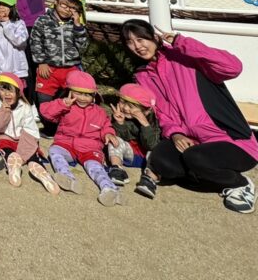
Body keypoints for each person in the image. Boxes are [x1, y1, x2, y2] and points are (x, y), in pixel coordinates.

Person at [122, 19, 257, 213]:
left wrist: (182, 42)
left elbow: (233, 67)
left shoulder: (186, 57)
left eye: (141, 39)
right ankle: (203, 172)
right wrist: (175, 133)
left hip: (231, 140)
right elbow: (162, 112)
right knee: (161, 163)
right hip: (191, 141)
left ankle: (239, 183)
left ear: (154, 37)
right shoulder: (143, 76)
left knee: (195, 159)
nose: (138, 46)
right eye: (130, 42)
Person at [39, 71, 123, 206]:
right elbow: (45, 112)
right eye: (78, 93)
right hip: (66, 143)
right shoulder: (65, 106)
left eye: (87, 95)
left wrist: (108, 133)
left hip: (90, 147)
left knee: (95, 167)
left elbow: (106, 126)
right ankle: (67, 178)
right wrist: (63, 104)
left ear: (94, 96)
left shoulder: (99, 112)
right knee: (54, 151)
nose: (83, 98)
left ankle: (109, 189)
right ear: (69, 91)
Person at [0, 73, 58, 193]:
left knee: (32, 150)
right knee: (4, 146)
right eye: (3, 89)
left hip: (22, 135)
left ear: (19, 93)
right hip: (4, 135)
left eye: (11, 90)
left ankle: (40, 170)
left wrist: (29, 143)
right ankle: (12, 163)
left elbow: (30, 128)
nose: (7, 94)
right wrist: (4, 111)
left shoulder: (24, 106)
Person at [30, 0, 89, 133]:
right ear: (55, 2)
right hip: (49, 67)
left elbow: (83, 47)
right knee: (44, 98)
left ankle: (72, 126)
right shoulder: (43, 21)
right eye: (64, 5)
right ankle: (49, 128)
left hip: (71, 68)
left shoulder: (76, 24)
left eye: (73, 8)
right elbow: (35, 42)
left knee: (75, 98)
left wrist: (78, 26)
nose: (67, 10)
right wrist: (41, 62)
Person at [108, 82, 162, 198]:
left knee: (156, 152)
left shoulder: (156, 122)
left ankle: (149, 180)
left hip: (148, 158)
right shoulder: (123, 116)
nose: (125, 108)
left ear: (147, 111)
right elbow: (123, 139)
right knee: (114, 140)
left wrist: (145, 124)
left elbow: (152, 145)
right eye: (123, 103)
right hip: (132, 155)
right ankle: (117, 169)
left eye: (131, 106)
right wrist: (120, 123)